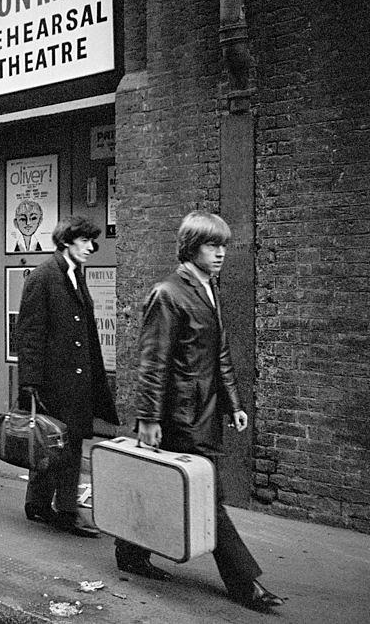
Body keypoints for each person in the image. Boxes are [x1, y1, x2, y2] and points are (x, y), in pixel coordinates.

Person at [114, 211, 284, 613]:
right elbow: (152, 362)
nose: (221, 252)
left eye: (223, 244)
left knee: (165, 483)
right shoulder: (168, 293)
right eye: (212, 245)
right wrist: (149, 419)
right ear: (191, 247)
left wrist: (234, 404)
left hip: (204, 410)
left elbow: (219, 353)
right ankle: (245, 582)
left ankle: (129, 552)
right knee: (208, 495)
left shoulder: (209, 289)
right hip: (179, 414)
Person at [15, 215, 119, 537]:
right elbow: (29, 332)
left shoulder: (75, 274)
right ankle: (67, 512)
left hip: (76, 380)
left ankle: (38, 503)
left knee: (61, 443)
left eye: (92, 241)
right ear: (65, 242)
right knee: (61, 443)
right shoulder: (44, 276)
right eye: (85, 241)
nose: (91, 247)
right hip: (54, 380)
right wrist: (30, 382)